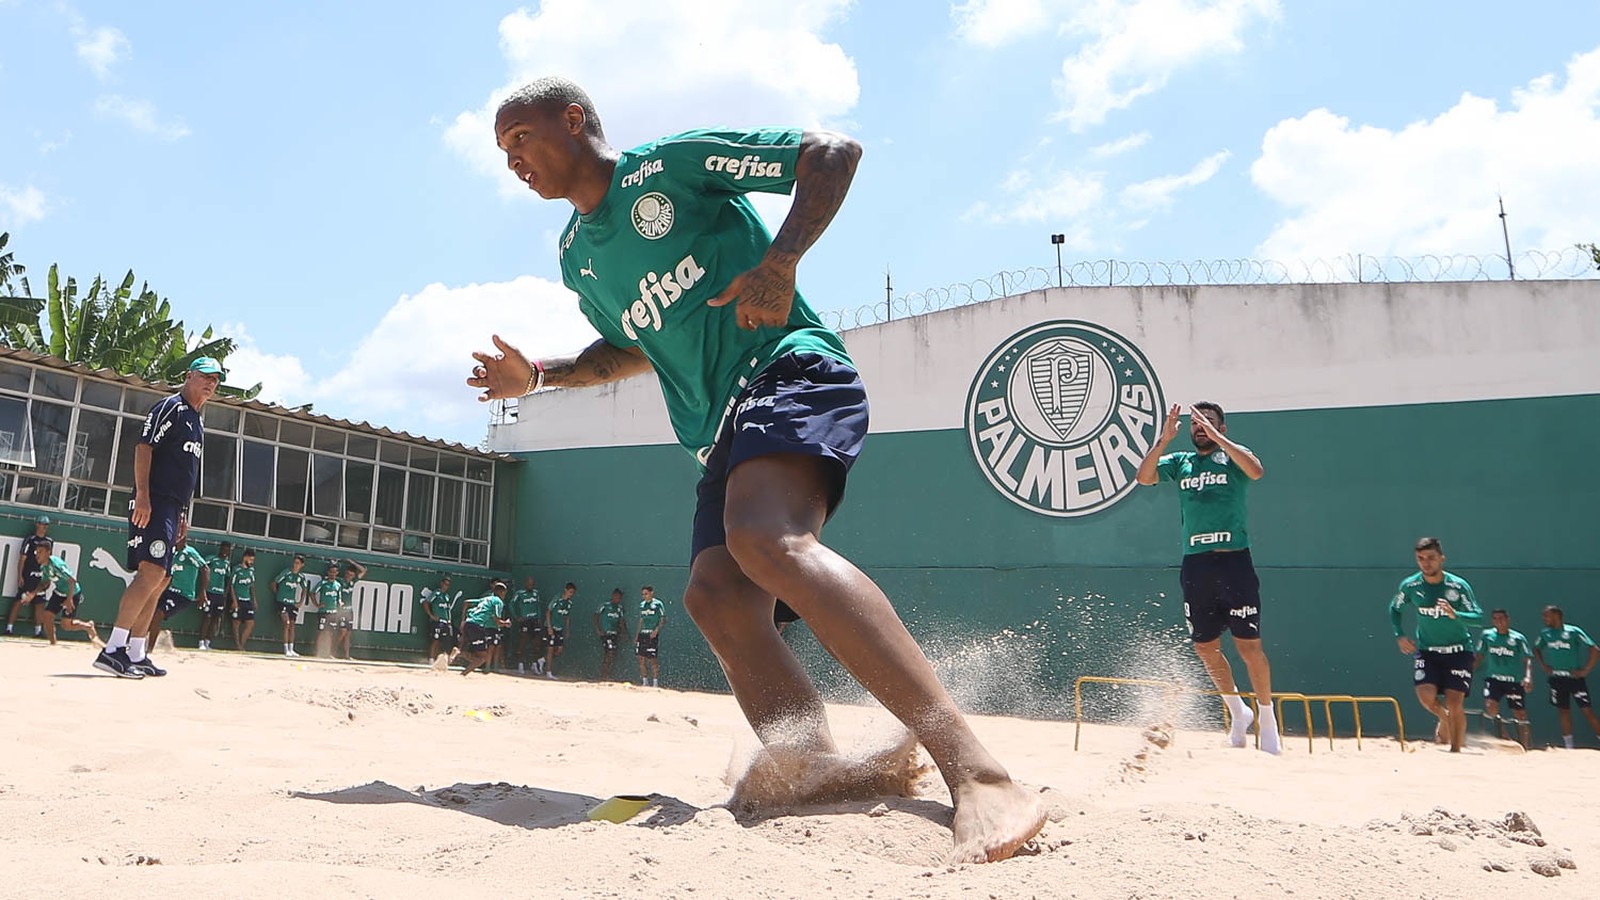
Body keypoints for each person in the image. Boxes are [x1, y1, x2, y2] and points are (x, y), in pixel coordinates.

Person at [467, 76, 1043, 861]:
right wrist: (537, 376)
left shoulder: (666, 167)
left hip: (788, 368)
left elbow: (831, 154)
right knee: (715, 598)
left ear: (572, 121)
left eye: (521, 139)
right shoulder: (577, 259)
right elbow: (628, 348)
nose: (513, 163)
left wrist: (782, 262)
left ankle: (978, 772)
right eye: (503, 153)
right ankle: (814, 768)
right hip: (718, 431)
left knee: (763, 538)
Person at [1135, 403, 1280, 754]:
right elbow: (1144, 477)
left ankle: (1268, 718)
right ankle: (1237, 712)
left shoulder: (1234, 456)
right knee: (1205, 646)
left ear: (1223, 427)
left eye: (1208, 423)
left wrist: (1219, 440)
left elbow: (1257, 471)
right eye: (1196, 423)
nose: (1200, 428)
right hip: (1196, 564)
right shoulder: (1181, 461)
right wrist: (1164, 440)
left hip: (1234, 563)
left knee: (1249, 647)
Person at [93, 357, 221, 677]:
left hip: (173, 508)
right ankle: (113, 650)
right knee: (150, 573)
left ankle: (137, 652)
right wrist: (143, 497)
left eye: (216, 380)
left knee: (162, 579)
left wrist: (183, 514)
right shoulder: (171, 407)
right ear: (189, 376)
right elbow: (144, 447)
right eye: (205, 376)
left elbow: (187, 473)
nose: (211, 384)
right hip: (154, 502)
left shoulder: (196, 420)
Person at [1387, 537, 1483, 752]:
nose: (1426, 563)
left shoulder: (1457, 586)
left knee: (1455, 701)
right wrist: (1400, 635)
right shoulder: (1411, 585)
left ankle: (1455, 749)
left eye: (1431, 558)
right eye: (1420, 559)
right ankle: (1444, 718)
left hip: (1458, 651)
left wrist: (1455, 614)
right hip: (1427, 651)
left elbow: (1478, 617)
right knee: (1426, 697)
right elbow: (1395, 608)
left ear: (1442, 558)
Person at [1533, 605, 1600, 749]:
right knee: (1563, 711)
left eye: (1547, 615)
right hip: (1557, 679)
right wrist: (1543, 665)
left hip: (1575, 679)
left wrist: (1586, 670)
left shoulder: (1573, 631)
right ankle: (1569, 746)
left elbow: (1594, 648)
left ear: (1556, 615)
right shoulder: (1545, 633)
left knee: (1587, 710)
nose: (1544, 619)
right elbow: (1536, 648)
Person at [1474, 609, 1533, 748]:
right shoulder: (1487, 636)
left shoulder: (1518, 638)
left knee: (1520, 714)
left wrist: (1528, 677)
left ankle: (1524, 745)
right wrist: (1469, 671)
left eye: (1501, 618)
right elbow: (1479, 656)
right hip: (1494, 679)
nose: (1499, 621)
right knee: (1490, 707)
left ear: (1508, 619)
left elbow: (1528, 659)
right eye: (1495, 618)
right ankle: (1504, 736)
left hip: (1513, 681)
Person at [145, 525, 209, 651]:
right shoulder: (172, 553)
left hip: (183, 595)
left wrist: (202, 592)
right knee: (146, 610)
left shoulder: (190, 553)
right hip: (169, 591)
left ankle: (149, 649)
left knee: (158, 614)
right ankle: (136, 642)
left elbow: (205, 568)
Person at [26, 540, 101, 646]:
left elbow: (72, 581)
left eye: (40, 552)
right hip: (59, 592)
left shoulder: (56, 565)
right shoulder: (44, 566)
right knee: (47, 615)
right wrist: (33, 594)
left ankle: (88, 626)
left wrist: (69, 599)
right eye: (36, 552)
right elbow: (45, 583)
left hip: (72, 593)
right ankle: (53, 643)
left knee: (66, 625)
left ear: (48, 552)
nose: (37, 554)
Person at [6, 514, 51, 636]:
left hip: (41, 575)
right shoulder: (30, 540)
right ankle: (9, 628)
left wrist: (49, 577)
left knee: (40, 604)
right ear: (37, 525)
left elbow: (49, 560)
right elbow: (22, 559)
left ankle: (38, 631)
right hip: (28, 575)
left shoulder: (49, 541)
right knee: (20, 600)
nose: (44, 527)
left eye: (46, 525)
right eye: (42, 524)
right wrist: (20, 575)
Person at [459, 580, 512, 677]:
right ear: (502, 592)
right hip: (476, 626)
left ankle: (461, 655)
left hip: (468, 623)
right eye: (504, 593)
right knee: (483, 658)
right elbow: (497, 621)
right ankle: (462, 673)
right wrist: (506, 623)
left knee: (479, 656)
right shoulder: (498, 602)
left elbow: (466, 602)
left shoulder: (486, 599)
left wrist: (463, 620)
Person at [198, 540, 233, 651]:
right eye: (224, 549)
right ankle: (201, 642)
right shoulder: (211, 559)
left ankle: (208, 642)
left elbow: (227, 579)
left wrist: (225, 595)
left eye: (228, 550)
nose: (225, 552)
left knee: (216, 618)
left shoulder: (227, 564)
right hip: (209, 592)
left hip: (220, 594)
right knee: (207, 617)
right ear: (220, 549)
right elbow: (203, 569)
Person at [271, 555, 307, 657]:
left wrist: (300, 602)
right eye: (294, 562)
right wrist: (278, 595)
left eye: (298, 563)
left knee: (292, 625)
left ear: (302, 565)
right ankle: (286, 649)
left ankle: (292, 649)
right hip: (282, 602)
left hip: (292, 603)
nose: (295, 565)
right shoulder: (286, 572)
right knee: (286, 623)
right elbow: (274, 583)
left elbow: (304, 589)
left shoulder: (300, 577)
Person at [420, 574, 460, 662]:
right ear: (441, 583)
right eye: (445, 584)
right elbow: (426, 603)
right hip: (437, 622)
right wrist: (431, 615)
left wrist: (449, 620)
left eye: (448, 584)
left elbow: (447, 609)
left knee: (444, 641)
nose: (446, 586)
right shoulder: (436, 593)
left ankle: (439, 660)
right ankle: (431, 659)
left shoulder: (447, 596)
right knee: (435, 640)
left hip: (446, 622)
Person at [510, 575, 544, 675]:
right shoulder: (520, 593)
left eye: (532, 584)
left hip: (534, 621)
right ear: (525, 584)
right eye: (529, 584)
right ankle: (520, 665)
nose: (530, 586)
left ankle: (534, 664)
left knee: (536, 643)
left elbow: (538, 606)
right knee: (522, 642)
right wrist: (516, 617)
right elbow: (511, 604)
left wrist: (539, 618)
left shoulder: (536, 593)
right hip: (524, 621)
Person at [594, 588, 631, 681]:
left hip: (615, 634)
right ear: (613, 596)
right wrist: (598, 629)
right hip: (606, 634)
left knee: (611, 654)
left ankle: (606, 674)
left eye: (620, 597)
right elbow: (596, 615)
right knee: (610, 652)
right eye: (617, 597)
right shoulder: (605, 605)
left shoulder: (620, 608)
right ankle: (603, 675)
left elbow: (621, 621)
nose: (618, 599)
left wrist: (624, 632)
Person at [332, 560, 365, 660]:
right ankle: (333, 651)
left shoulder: (352, 582)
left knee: (348, 634)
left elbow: (363, 570)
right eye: (347, 574)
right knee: (342, 632)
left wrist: (352, 562)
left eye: (351, 575)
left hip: (350, 611)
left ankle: (346, 655)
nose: (348, 576)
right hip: (341, 610)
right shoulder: (340, 581)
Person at [228, 548, 259, 652]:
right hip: (238, 600)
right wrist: (234, 601)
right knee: (236, 623)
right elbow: (231, 586)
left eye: (253, 560)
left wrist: (254, 599)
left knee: (250, 623)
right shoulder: (237, 570)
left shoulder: (251, 571)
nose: (251, 562)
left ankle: (242, 644)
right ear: (245, 557)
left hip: (247, 600)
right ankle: (237, 646)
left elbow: (252, 586)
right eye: (250, 559)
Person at [543, 581, 574, 680]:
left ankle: (542, 660)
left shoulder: (569, 603)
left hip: (559, 628)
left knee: (559, 650)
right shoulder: (557, 599)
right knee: (550, 649)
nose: (571, 594)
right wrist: (549, 627)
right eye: (570, 592)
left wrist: (568, 630)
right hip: (551, 627)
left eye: (573, 593)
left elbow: (567, 617)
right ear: (565, 590)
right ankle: (548, 672)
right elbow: (548, 612)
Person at [636, 584, 666, 687]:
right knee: (641, 658)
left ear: (651, 593)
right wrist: (637, 635)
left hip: (652, 634)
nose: (644, 596)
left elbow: (663, 619)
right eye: (643, 594)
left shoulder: (658, 604)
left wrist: (656, 630)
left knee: (652, 659)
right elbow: (641, 620)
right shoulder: (642, 605)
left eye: (646, 594)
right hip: (643, 634)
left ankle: (655, 682)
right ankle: (645, 681)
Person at [314, 562, 342, 658]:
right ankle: (318, 652)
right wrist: (316, 604)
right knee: (321, 632)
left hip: (333, 612)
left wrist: (340, 603)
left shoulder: (338, 585)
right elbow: (312, 593)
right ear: (328, 572)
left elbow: (339, 598)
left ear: (337, 573)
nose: (332, 574)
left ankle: (328, 653)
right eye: (331, 572)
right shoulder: (323, 583)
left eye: (334, 572)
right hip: (323, 612)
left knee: (330, 633)